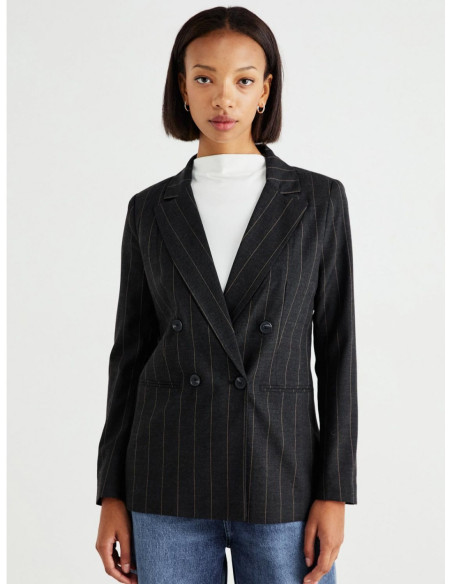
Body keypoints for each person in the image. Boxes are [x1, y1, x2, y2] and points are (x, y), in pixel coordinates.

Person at [95, 6, 358, 584]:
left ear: (265, 91)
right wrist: (111, 493)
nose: (223, 98)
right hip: (165, 478)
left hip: (281, 476)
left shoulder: (318, 201)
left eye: (243, 80)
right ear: (181, 88)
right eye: (204, 77)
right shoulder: (149, 209)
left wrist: (335, 492)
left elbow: (338, 352)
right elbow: (129, 357)